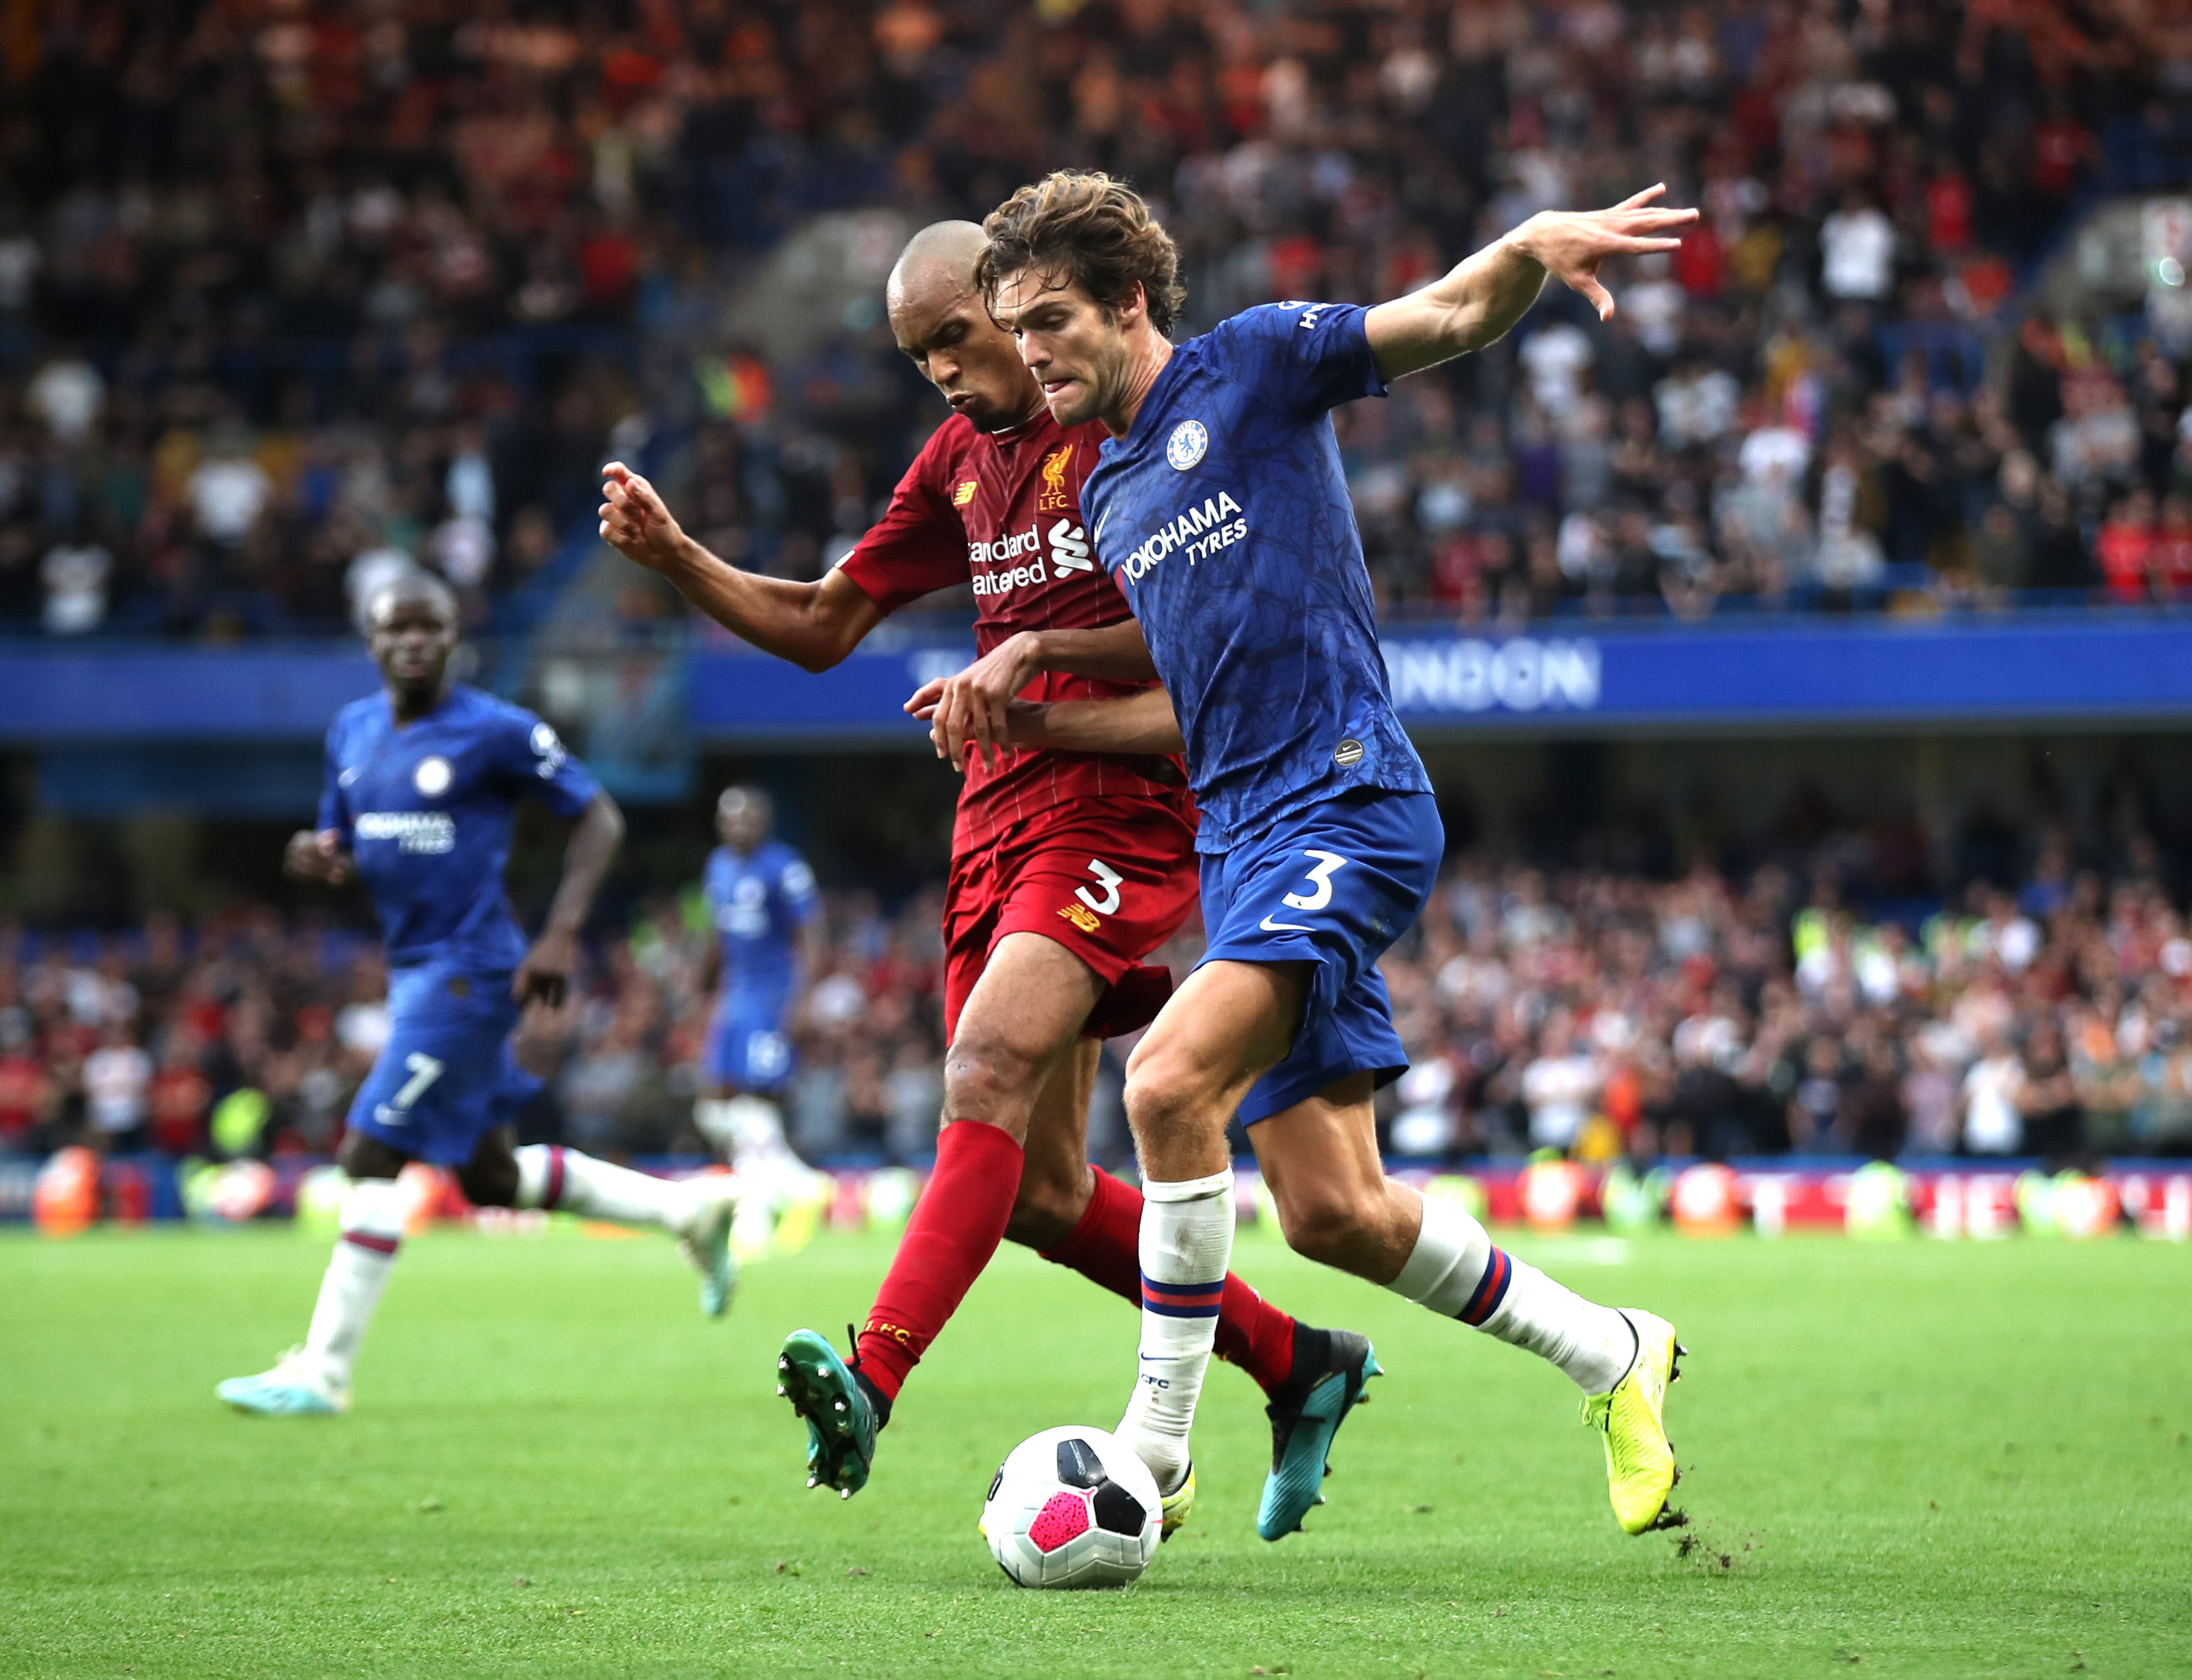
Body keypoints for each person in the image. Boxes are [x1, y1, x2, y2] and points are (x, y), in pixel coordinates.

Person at [597, 222, 1370, 1543]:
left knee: (982, 1073)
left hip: (1117, 804)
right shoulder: (959, 462)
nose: (945, 374)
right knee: (1036, 1193)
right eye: (919, 357)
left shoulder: (1122, 434)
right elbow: (824, 623)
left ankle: (873, 1372)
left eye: (957, 337)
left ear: (1018, 309)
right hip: (994, 815)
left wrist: (1030, 665)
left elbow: (1192, 629)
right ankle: (1298, 1363)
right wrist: (679, 560)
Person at [970, 171, 1692, 1536]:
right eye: (1015, 329)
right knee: (1332, 1214)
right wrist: (1041, 708)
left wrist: (1524, 245)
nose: (1032, 352)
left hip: (1345, 798)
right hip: (1239, 840)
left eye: (1051, 318)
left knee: (1167, 1081)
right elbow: (1185, 700)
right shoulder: (1110, 488)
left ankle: (1156, 1448)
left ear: (1126, 303)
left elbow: (1445, 315)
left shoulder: (1250, 366)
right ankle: (1614, 1349)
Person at [216, 573, 738, 1418]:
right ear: (373, 640)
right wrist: (313, 858)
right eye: (398, 629)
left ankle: (323, 1370)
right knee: (490, 1176)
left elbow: (598, 816)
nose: (414, 642)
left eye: (431, 628)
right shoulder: (352, 732)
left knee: (370, 1154)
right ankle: (690, 1210)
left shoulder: (494, 730)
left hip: (469, 973)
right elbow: (340, 842)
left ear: (454, 637)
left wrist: (563, 931)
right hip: (415, 969)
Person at [691, 783, 829, 1256]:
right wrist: (702, 985)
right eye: (729, 818)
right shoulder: (718, 867)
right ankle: (800, 1186)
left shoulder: (784, 867)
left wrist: (804, 999)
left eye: (746, 817)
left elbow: (812, 933)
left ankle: (757, 1214)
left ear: (763, 822)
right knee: (713, 1106)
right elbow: (718, 933)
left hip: (772, 996)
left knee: (758, 1100)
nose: (737, 826)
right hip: (735, 997)